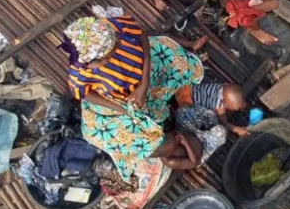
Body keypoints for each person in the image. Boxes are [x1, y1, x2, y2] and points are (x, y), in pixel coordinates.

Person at [62, 14, 209, 180]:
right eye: (103, 60)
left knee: (174, 62)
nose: (109, 59)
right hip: (118, 100)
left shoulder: (116, 27)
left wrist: (144, 84)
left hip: (147, 74)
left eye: (112, 52)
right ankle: (152, 128)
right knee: (107, 133)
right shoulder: (80, 70)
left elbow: (143, 36)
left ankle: (156, 112)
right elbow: (85, 94)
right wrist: (122, 109)